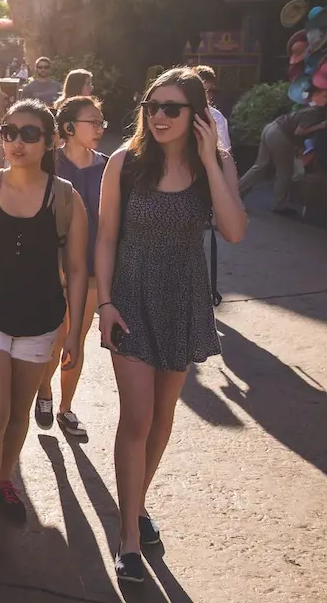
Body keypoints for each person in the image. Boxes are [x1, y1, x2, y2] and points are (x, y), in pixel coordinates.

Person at [96, 68, 246, 583]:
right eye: (151, 106)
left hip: (182, 298)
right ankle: (128, 538)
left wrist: (210, 158)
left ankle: (136, 504)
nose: (157, 116)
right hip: (131, 298)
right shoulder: (124, 163)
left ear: (196, 116)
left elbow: (233, 230)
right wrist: (104, 303)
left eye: (171, 108)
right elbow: (106, 239)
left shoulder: (215, 165)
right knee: (136, 419)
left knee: (162, 420)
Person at [0, 99, 89, 550]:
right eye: (9, 131)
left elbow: (79, 269)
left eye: (29, 134)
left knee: (19, 413)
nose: (16, 142)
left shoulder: (66, 197)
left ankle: (4, 478)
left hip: (42, 322)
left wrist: (77, 333)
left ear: (49, 142)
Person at [35, 96, 108, 438]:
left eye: (100, 121)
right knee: (55, 334)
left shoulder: (109, 166)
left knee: (76, 336)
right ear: (68, 128)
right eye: (92, 121)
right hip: (52, 267)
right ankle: (44, 389)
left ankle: (66, 407)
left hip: (93, 267)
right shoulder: (50, 164)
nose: (99, 128)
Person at [237, 87, 327, 215]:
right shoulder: (315, 113)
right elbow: (299, 131)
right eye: (325, 96)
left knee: (260, 166)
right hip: (281, 135)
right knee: (284, 171)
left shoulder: (307, 109)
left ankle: (234, 194)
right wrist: (319, 126)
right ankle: (279, 205)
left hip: (271, 129)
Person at [194, 66, 232, 152]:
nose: (207, 95)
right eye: (203, 90)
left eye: (211, 90)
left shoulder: (217, 117)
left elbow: (225, 152)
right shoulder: (180, 112)